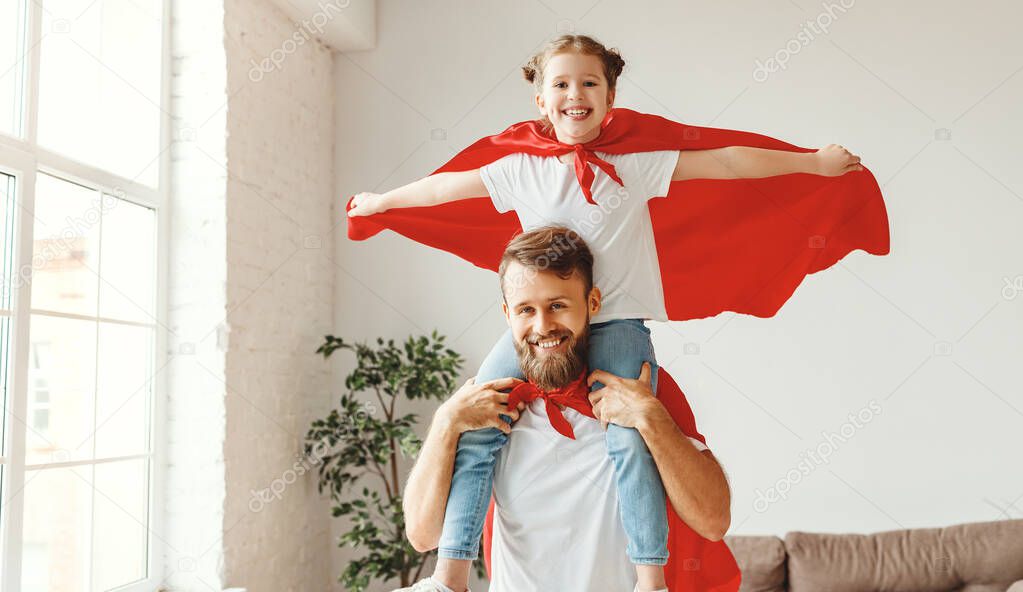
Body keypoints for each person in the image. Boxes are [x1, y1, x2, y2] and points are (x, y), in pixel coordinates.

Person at [349, 34, 877, 592]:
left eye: (588, 82)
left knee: (628, 435)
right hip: (507, 460)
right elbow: (445, 189)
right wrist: (381, 203)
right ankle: (449, 576)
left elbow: (724, 161)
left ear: (610, 95)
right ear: (539, 101)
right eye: (561, 84)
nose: (575, 94)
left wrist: (812, 163)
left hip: (621, 324)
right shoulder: (520, 169)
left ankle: (650, 579)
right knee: (479, 419)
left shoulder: (636, 165)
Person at [397, 227, 733, 592]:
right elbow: (422, 534)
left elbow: (713, 520)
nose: (543, 327)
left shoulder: (639, 387)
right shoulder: (489, 405)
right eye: (527, 310)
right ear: (508, 314)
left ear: (591, 304)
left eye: (557, 305)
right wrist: (445, 424)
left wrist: (651, 419)